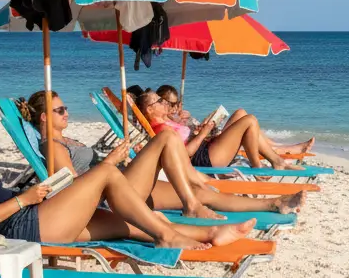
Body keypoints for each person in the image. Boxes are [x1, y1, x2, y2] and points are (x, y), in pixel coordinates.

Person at [0, 104, 257, 249]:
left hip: (36, 215)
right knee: (107, 172)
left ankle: (212, 231)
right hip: (25, 228)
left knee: (131, 225)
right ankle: (171, 236)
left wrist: (36, 196)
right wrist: (24, 198)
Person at [19, 92, 302, 217]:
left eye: (65, 108)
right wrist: (109, 162)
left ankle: (271, 204)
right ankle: (192, 202)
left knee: (201, 195)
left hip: (120, 184)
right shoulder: (52, 146)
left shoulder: (65, 139)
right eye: (60, 110)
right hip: (108, 196)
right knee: (166, 136)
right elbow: (70, 188)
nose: (66, 113)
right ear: (44, 118)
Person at [136, 90, 293, 170]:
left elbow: (185, 141)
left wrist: (199, 132)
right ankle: (264, 165)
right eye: (159, 101)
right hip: (205, 158)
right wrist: (203, 133)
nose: (164, 102)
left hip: (207, 148)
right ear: (149, 110)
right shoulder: (162, 129)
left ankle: (272, 159)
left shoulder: (167, 122)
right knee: (249, 121)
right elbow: (186, 153)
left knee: (241, 113)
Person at [157, 84, 315, 155]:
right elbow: (186, 148)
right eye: (172, 105)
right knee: (247, 121)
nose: (175, 108)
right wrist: (199, 132)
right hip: (208, 146)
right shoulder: (165, 126)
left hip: (210, 138)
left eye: (177, 104)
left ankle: (279, 145)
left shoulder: (177, 117)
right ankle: (284, 150)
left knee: (241, 113)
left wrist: (199, 123)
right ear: (162, 103)